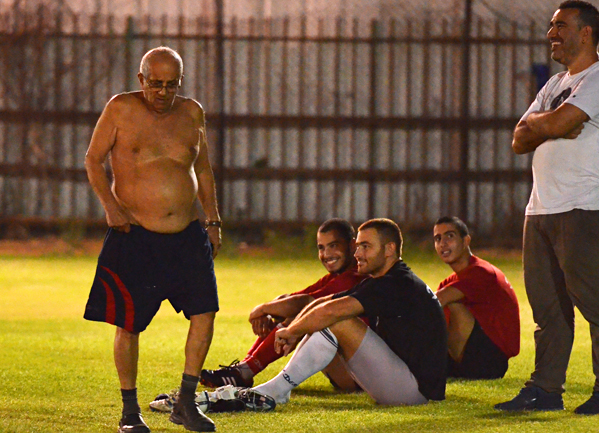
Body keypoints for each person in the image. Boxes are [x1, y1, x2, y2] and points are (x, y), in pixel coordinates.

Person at [495, 1, 599, 415]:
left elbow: (549, 125)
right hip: (540, 209)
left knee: (598, 303)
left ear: (586, 32)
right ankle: (545, 389)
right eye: (551, 25)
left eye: (560, 25)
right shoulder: (554, 83)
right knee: (548, 308)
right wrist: (551, 123)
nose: (551, 33)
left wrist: (547, 123)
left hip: (584, 209)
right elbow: (519, 139)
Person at [84, 47, 220, 432]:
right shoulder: (120, 109)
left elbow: (203, 170)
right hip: (134, 236)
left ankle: (186, 403)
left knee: (205, 313)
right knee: (129, 324)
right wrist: (111, 207)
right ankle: (130, 412)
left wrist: (213, 221)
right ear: (141, 79)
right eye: (156, 84)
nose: (163, 92)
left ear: (181, 83)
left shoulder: (192, 113)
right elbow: (93, 160)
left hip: (187, 236)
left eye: (171, 85)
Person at [247, 218, 447, 406]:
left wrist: (292, 331)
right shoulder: (387, 279)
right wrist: (296, 328)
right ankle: (277, 388)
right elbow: (323, 302)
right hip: (404, 380)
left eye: (366, 246)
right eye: (358, 246)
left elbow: (331, 311)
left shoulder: (396, 283)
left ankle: (276, 389)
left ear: (389, 249)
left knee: (339, 320)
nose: (357, 254)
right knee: (324, 316)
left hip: (416, 391)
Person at [200, 218, 367, 391]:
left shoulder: (355, 277)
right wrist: (270, 311)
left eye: (333, 246)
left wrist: (261, 309)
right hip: (349, 369)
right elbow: (292, 298)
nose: (327, 254)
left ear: (352, 245)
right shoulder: (336, 277)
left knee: (303, 313)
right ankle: (244, 369)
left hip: (362, 377)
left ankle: (246, 370)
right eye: (321, 248)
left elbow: (305, 302)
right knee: (288, 307)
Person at [433, 216, 520, 379]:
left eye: (449, 236)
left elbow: (436, 301)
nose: (442, 243)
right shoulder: (449, 281)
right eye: (438, 238)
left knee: (449, 305)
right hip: (474, 354)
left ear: (466, 241)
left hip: (490, 361)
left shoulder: (482, 272)